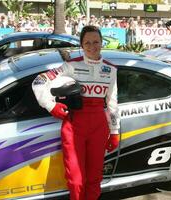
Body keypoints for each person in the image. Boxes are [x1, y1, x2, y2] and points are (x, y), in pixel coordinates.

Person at [32, 25, 120, 200]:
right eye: (87, 42)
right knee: (76, 180)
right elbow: (39, 81)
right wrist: (50, 106)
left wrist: (114, 131)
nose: (92, 46)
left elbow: (112, 103)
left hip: (99, 126)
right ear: (81, 45)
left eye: (96, 42)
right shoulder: (70, 66)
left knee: (95, 178)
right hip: (74, 125)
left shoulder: (111, 69)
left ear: (102, 43)